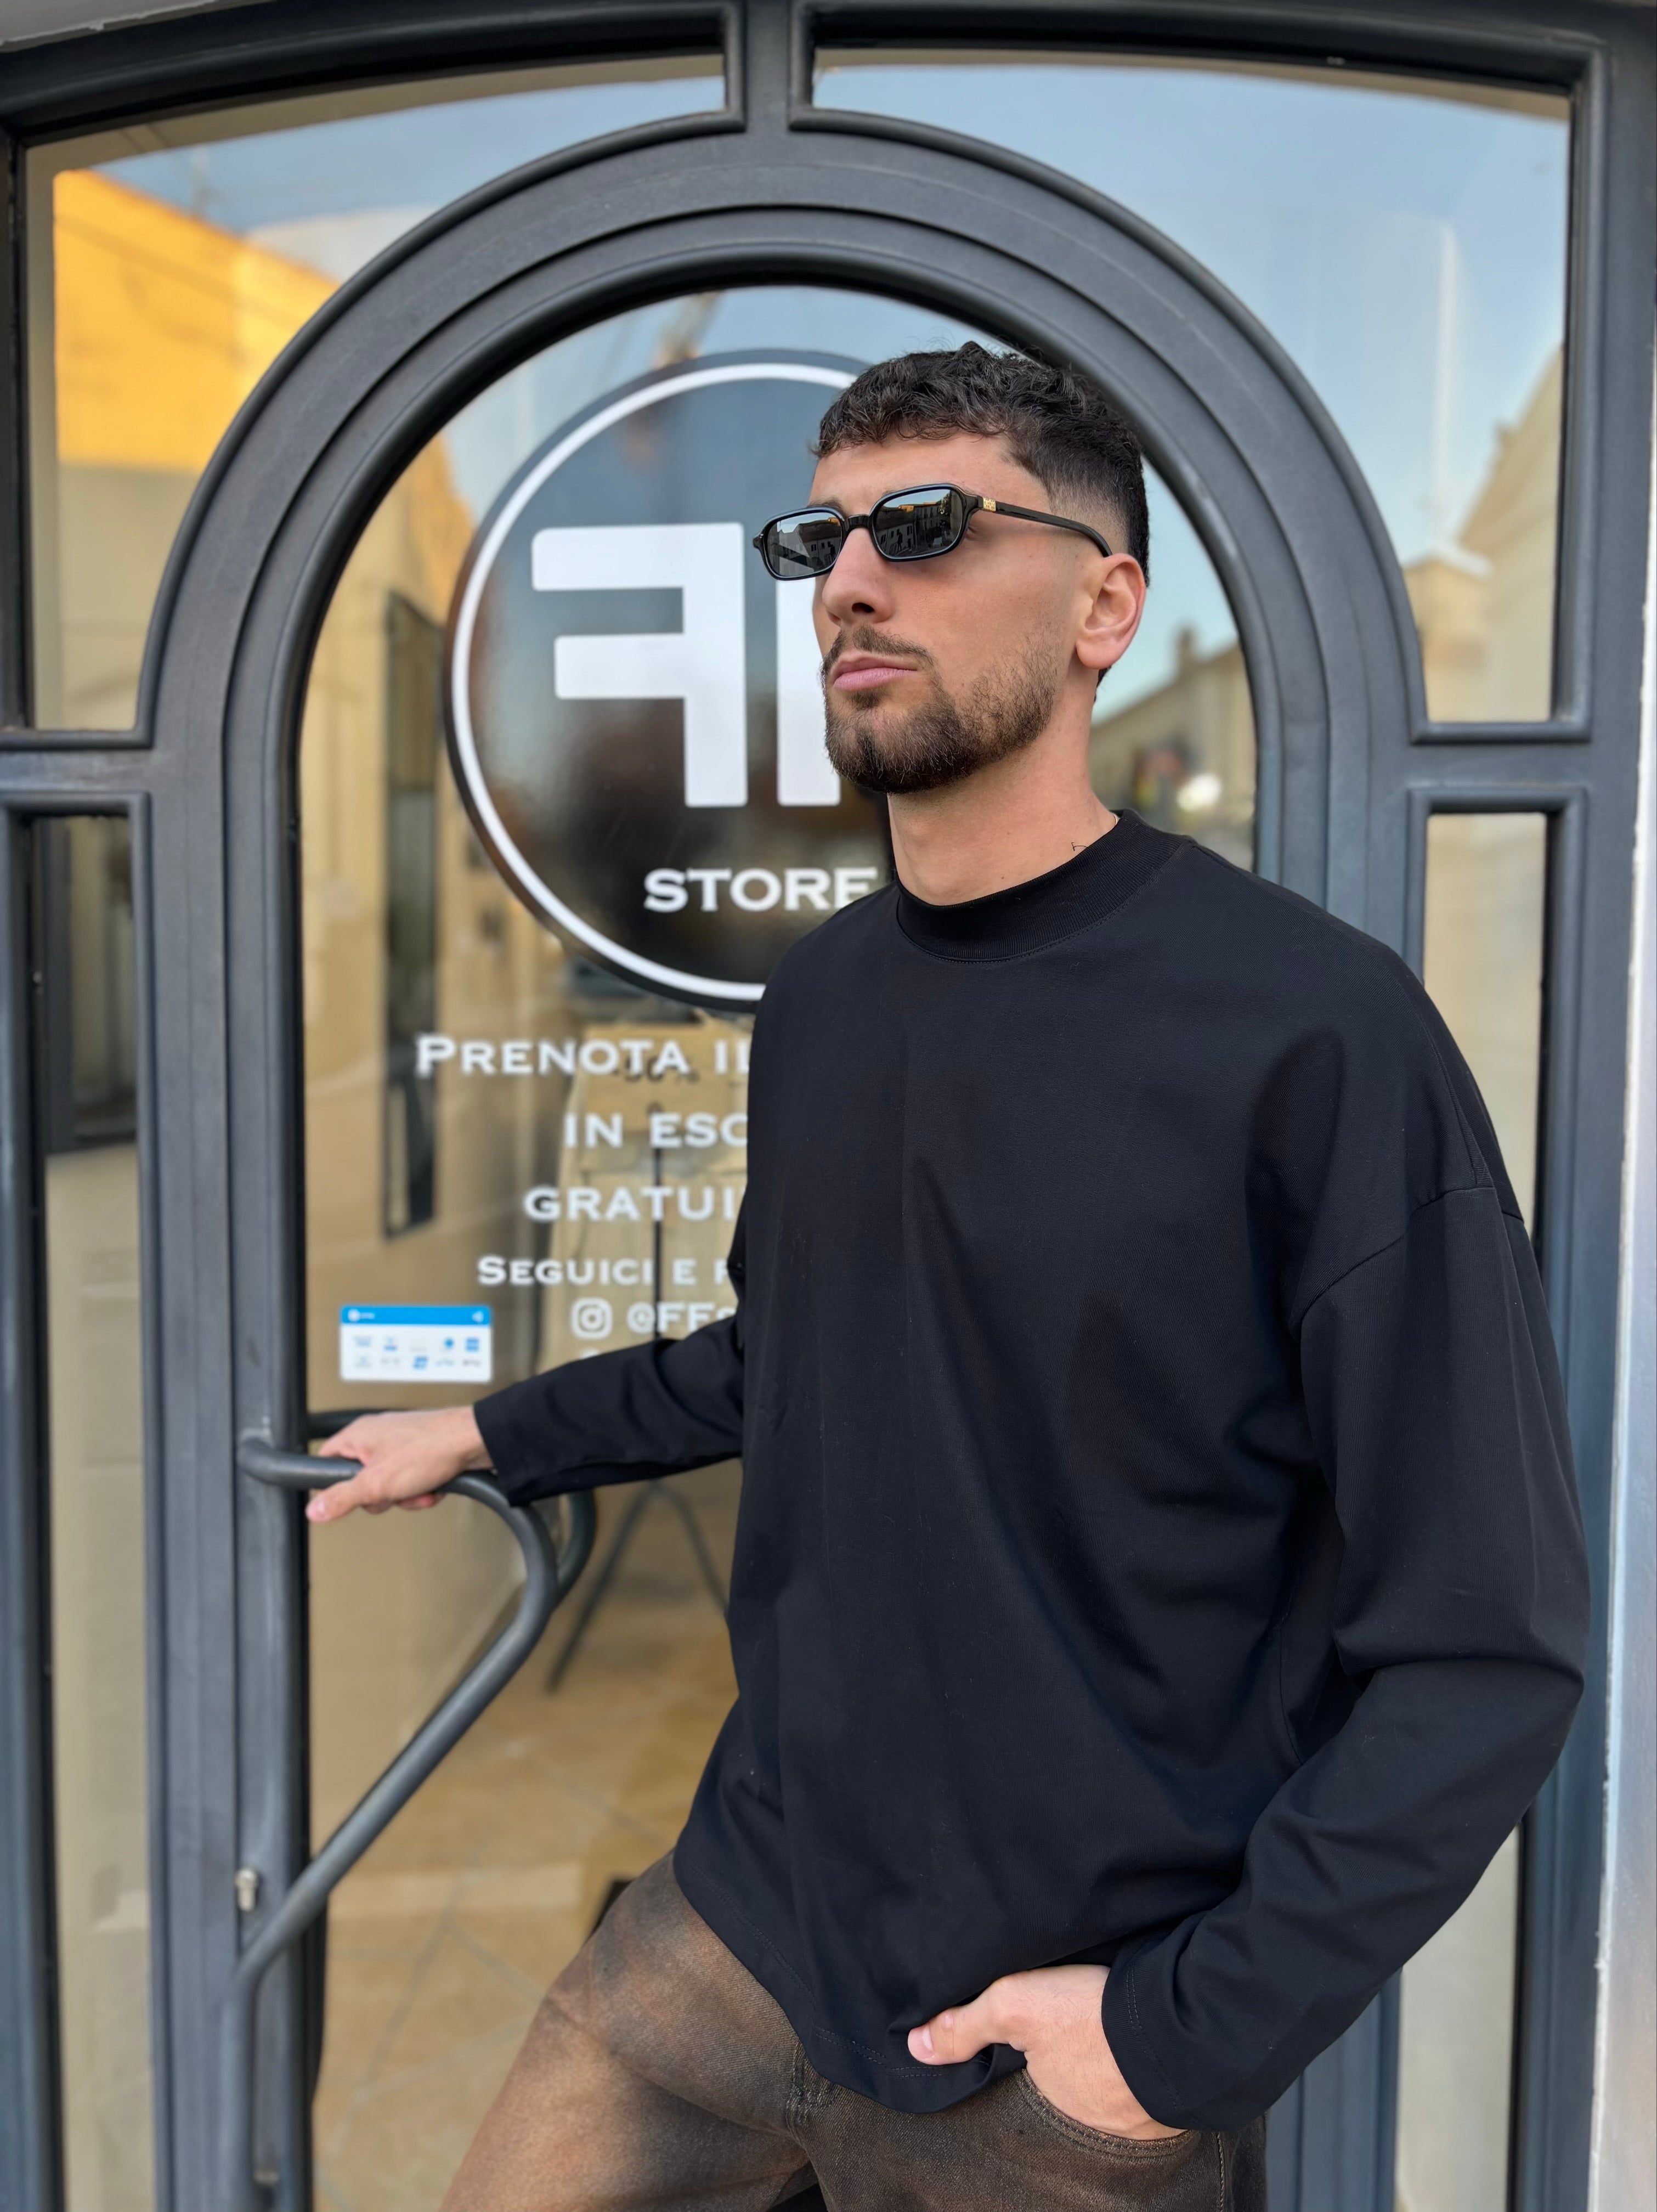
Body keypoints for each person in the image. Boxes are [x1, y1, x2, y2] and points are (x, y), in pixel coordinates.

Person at [310, 344, 1588, 2211]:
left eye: (924, 526)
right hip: (742, 1924)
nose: (851, 580)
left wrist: (1179, 2038)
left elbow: (1489, 1642)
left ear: (1105, 607)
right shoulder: (825, 999)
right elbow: (786, 1355)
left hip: (1052, 2040)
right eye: (820, 539)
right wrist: (491, 1431)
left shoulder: (1318, 1036)